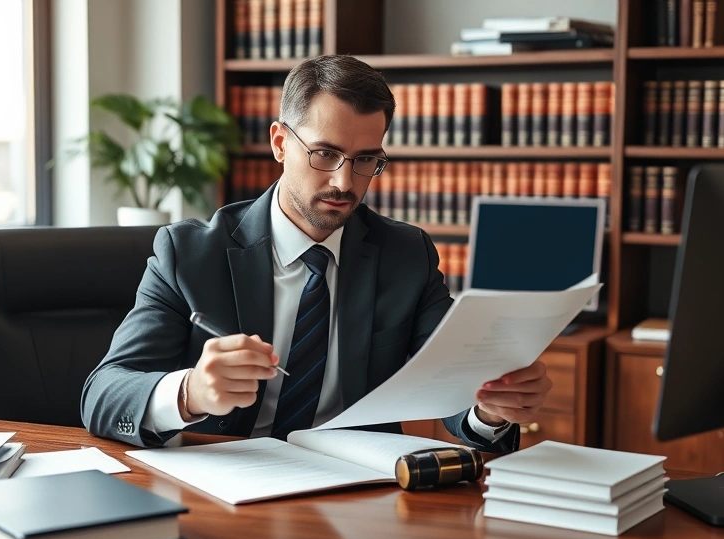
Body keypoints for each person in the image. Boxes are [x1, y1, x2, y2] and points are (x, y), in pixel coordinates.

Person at [81, 55, 552, 451]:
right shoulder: (189, 253)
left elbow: (452, 390)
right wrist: (190, 392)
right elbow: (103, 395)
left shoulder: (407, 255)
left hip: (358, 494)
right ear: (280, 143)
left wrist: (490, 411)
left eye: (366, 159)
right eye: (325, 154)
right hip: (228, 483)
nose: (345, 182)